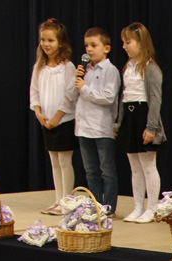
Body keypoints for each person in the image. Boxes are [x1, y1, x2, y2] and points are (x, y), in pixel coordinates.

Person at [68, 28, 120, 215]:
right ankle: (95, 206)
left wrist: (84, 89)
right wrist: (76, 79)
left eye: (93, 45)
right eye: (86, 46)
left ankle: (109, 207)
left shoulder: (110, 70)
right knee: (90, 171)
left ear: (106, 48)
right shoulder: (84, 70)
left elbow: (108, 97)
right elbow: (71, 96)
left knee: (107, 171)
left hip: (101, 127)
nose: (89, 49)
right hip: (83, 127)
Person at [117, 22, 165, 223]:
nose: (124, 47)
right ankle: (138, 206)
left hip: (143, 116)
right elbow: (124, 96)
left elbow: (155, 100)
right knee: (134, 167)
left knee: (148, 165)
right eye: (123, 43)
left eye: (128, 42)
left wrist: (151, 127)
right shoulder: (128, 67)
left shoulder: (150, 68)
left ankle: (152, 208)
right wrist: (119, 122)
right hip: (129, 117)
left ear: (141, 43)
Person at [29, 19, 77, 215]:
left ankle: (67, 201)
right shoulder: (39, 66)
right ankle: (58, 200)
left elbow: (70, 95)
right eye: (43, 40)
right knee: (54, 162)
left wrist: (57, 116)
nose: (46, 44)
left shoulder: (67, 67)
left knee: (64, 162)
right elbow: (34, 91)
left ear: (61, 42)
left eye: (51, 40)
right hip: (46, 121)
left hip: (63, 121)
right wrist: (38, 112)